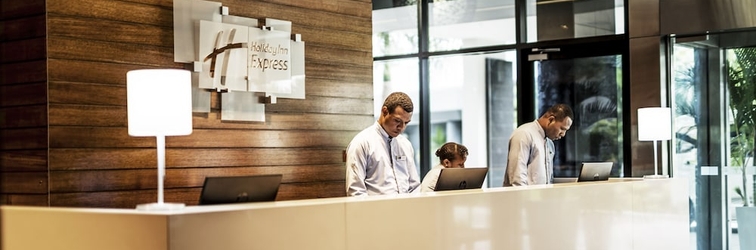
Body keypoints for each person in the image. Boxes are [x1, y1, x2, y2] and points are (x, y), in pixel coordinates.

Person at [345, 92, 421, 196]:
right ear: (384, 111)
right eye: (397, 121)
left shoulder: (406, 145)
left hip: (406, 209)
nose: (402, 127)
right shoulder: (361, 143)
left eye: (406, 123)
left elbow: (414, 187)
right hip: (375, 211)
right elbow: (356, 191)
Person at [503, 104, 574, 186]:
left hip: (541, 197)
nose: (563, 134)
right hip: (522, 197)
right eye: (562, 129)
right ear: (551, 120)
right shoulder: (524, 134)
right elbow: (517, 179)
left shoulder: (549, 143)